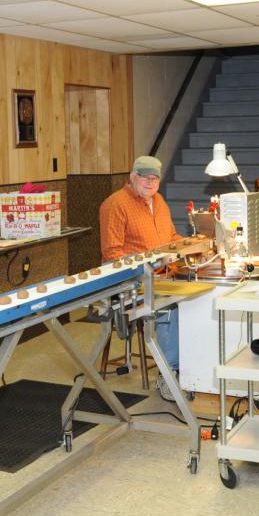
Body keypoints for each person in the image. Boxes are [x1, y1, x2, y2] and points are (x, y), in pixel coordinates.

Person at [99, 156, 183, 401]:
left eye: (155, 177)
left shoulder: (159, 201)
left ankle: (193, 370)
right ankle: (170, 375)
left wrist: (191, 244)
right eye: (145, 176)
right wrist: (153, 261)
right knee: (171, 305)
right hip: (130, 281)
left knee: (201, 296)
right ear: (132, 177)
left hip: (162, 274)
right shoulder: (115, 204)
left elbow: (170, 236)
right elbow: (112, 254)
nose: (150, 181)